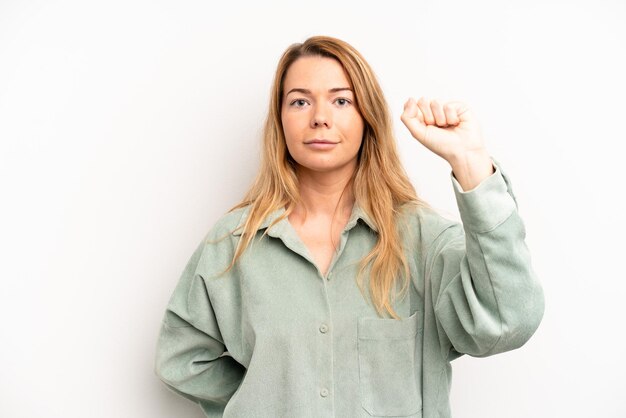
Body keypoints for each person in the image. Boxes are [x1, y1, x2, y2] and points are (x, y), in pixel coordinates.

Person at [154, 35, 545, 418]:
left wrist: (470, 161)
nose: (320, 117)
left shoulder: (424, 239)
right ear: (281, 120)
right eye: (300, 101)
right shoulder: (233, 243)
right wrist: (264, 401)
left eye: (341, 100)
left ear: (367, 118)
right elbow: (181, 358)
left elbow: (509, 321)